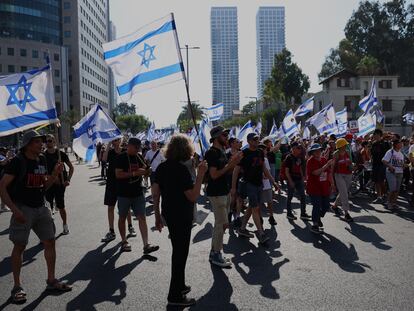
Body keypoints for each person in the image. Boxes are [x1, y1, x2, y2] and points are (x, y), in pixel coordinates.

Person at [0, 130, 72, 303]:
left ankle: (51, 280)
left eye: (43, 141)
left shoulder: (42, 160)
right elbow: (2, 187)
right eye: (38, 142)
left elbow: (43, 186)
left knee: (50, 241)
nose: (42, 144)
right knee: (20, 247)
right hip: (22, 208)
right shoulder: (18, 161)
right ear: (27, 144)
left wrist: (54, 174)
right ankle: (17, 287)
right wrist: (14, 210)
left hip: (41, 207)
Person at [152, 134, 208, 307]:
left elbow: (155, 194)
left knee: (179, 251)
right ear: (186, 149)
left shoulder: (162, 167)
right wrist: (200, 175)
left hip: (169, 213)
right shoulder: (181, 170)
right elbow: (192, 196)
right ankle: (175, 295)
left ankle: (180, 285)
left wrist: (157, 216)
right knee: (180, 254)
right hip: (181, 215)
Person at [204, 126, 242, 268]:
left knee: (223, 224)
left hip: (224, 191)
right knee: (221, 224)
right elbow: (214, 175)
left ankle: (215, 251)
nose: (227, 137)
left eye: (227, 135)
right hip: (216, 193)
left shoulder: (222, 152)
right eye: (224, 135)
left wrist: (234, 161)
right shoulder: (211, 153)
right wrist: (230, 164)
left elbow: (226, 171)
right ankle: (216, 253)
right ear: (217, 137)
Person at [232, 133, 277, 244]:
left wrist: (274, 182)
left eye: (258, 139)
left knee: (251, 208)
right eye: (255, 139)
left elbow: (264, 169)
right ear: (249, 141)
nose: (257, 140)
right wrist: (233, 187)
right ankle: (261, 234)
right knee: (255, 208)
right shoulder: (244, 153)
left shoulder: (260, 152)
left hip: (259, 184)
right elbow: (236, 170)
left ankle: (242, 229)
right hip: (249, 184)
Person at [115, 137, 158, 254]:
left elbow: (145, 170)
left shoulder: (138, 157)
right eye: (136, 148)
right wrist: (135, 173)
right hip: (123, 194)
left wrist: (147, 171)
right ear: (130, 146)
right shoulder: (121, 157)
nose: (138, 150)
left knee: (142, 218)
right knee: (122, 217)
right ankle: (124, 241)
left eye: (138, 148)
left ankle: (146, 245)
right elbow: (118, 174)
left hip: (138, 193)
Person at [101, 138, 136, 243]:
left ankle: (130, 227)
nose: (115, 141)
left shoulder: (125, 152)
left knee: (126, 208)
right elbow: (103, 159)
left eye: (116, 139)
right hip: (111, 184)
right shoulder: (110, 152)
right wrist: (108, 145)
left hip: (123, 184)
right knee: (110, 207)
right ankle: (111, 231)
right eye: (113, 140)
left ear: (120, 140)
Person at [44, 134, 74, 235]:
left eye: (50, 141)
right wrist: (50, 177)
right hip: (48, 184)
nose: (48, 143)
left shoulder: (60, 154)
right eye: (47, 141)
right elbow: (41, 172)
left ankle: (65, 226)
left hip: (61, 184)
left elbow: (71, 167)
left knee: (61, 206)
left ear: (54, 142)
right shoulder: (42, 156)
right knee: (48, 208)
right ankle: (48, 231)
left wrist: (68, 180)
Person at [306, 144, 334, 234]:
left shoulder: (323, 160)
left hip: (324, 187)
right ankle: (314, 224)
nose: (318, 152)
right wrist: (327, 165)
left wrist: (332, 184)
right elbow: (316, 173)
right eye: (316, 151)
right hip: (314, 188)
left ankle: (317, 217)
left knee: (326, 206)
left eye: (319, 150)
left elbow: (328, 173)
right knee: (317, 205)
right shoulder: (310, 161)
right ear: (312, 153)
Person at [284, 142, 310, 221]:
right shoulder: (289, 157)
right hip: (292, 179)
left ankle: (303, 213)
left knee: (303, 196)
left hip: (299, 180)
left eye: (300, 148)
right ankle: (289, 213)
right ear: (293, 149)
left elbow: (300, 168)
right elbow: (286, 171)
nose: (300, 149)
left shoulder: (299, 157)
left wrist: (303, 178)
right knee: (290, 197)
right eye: (298, 148)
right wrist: (290, 181)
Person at [332, 138, 354, 222]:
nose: (346, 145)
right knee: (344, 193)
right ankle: (346, 213)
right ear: (340, 146)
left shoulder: (348, 152)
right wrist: (332, 181)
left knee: (343, 192)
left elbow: (350, 163)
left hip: (348, 174)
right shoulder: (336, 154)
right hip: (339, 175)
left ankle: (334, 206)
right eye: (345, 144)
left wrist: (352, 167)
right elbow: (332, 167)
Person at [382, 139, 405, 210]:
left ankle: (394, 203)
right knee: (392, 189)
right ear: (395, 144)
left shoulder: (401, 153)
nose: (401, 144)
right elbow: (384, 161)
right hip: (391, 173)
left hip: (400, 172)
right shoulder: (390, 152)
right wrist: (390, 166)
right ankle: (388, 203)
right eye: (400, 143)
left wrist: (403, 166)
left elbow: (401, 163)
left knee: (397, 190)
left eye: (401, 143)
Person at [258, 144, 277, 226]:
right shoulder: (257, 159)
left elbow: (267, 172)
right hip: (258, 184)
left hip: (267, 184)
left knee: (270, 201)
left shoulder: (265, 159)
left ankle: (271, 216)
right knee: (258, 203)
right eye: (265, 150)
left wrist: (273, 182)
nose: (266, 151)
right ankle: (259, 218)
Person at [370, 129, 390, 203]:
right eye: (374, 134)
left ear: (379, 135)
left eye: (375, 134)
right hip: (375, 164)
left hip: (383, 165)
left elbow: (388, 155)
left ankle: (385, 195)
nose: (374, 136)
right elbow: (372, 154)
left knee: (381, 181)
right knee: (376, 181)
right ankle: (379, 197)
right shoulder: (373, 144)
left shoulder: (385, 143)